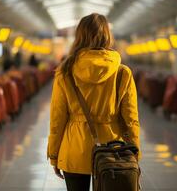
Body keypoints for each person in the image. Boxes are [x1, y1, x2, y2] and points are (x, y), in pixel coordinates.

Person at [47, 13, 140, 191]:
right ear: (107, 35)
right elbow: (131, 119)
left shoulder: (65, 72)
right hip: (113, 150)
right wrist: (135, 151)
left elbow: (57, 118)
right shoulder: (122, 73)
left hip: (74, 148)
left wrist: (53, 154)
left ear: (79, 36)